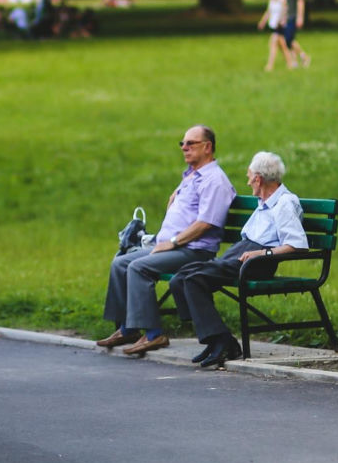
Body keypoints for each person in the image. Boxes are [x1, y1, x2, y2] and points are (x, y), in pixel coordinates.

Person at [97, 125, 236, 355]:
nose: (184, 148)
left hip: (193, 250)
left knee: (138, 267)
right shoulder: (192, 176)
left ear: (207, 147)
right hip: (173, 246)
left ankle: (154, 334)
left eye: (191, 143)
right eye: (182, 143)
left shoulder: (215, 180)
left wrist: (172, 242)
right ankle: (128, 327)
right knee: (120, 262)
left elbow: (206, 223)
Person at [169, 151, 308, 368]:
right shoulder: (265, 201)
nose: (247, 181)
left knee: (194, 279)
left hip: (257, 262)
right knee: (181, 277)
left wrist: (262, 253)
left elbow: (297, 244)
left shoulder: (284, 203)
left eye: (249, 176)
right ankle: (214, 338)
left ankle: (223, 342)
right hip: (243, 253)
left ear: (258, 179)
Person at [257, 0, 293, 71]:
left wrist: (281, 21)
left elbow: (285, 11)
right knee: (283, 46)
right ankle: (290, 63)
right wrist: (262, 22)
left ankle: (269, 65)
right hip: (273, 24)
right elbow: (268, 12)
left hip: (279, 25)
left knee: (273, 44)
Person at [283, 0, 311, 68]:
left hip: (295, 16)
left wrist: (300, 17)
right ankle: (295, 61)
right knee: (290, 39)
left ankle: (304, 56)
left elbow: (300, 2)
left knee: (288, 39)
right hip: (289, 16)